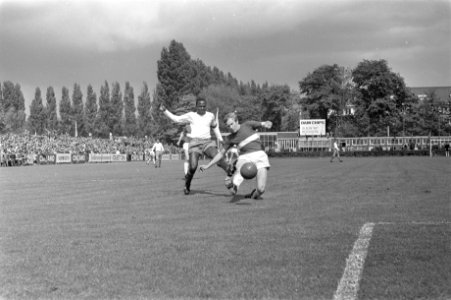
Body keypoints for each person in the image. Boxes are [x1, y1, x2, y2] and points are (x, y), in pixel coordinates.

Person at [159, 96, 230, 195]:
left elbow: (215, 127)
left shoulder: (210, 116)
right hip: (195, 143)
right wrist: (165, 111)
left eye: (204, 106)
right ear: (196, 106)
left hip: (207, 142)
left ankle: (230, 173)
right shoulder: (191, 115)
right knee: (193, 167)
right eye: (200, 106)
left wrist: (221, 139)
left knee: (217, 157)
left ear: (206, 106)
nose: (202, 108)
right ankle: (187, 184)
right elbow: (177, 119)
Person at [200, 111, 272, 200]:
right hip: (245, 157)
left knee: (261, 189)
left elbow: (263, 123)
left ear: (237, 121)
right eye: (228, 126)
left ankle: (253, 194)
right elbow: (220, 154)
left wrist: (267, 123)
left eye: (232, 124)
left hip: (261, 157)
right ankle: (233, 186)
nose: (230, 127)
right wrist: (208, 165)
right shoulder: (229, 138)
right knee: (240, 162)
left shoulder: (247, 125)